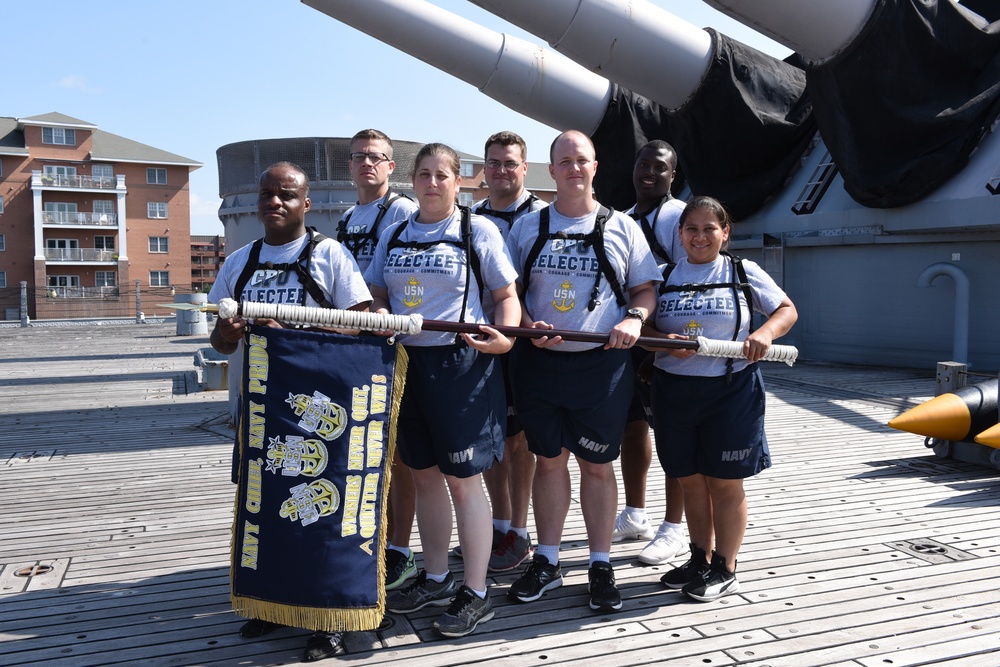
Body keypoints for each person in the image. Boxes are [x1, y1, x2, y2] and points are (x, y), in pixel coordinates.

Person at [209, 161, 373, 661]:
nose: (274, 202)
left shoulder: (330, 256)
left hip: (318, 415)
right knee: (262, 510)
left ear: (306, 203)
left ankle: (323, 617)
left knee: (317, 512)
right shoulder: (239, 262)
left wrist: (294, 334)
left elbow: (362, 324)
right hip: (260, 412)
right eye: (267, 194)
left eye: (286, 195)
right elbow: (218, 343)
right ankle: (270, 602)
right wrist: (231, 333)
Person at [365, 142, 521, 637]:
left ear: (458, 182)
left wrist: (504, 339)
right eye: (425, 174)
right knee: (425, 475)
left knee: (462, 480)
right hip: (407, 363)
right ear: (413, 181)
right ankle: (435, 577)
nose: (432, 183)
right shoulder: (392, 234)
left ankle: (476, 592)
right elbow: (376, 296)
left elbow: (506, 298)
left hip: (461, 365)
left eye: (442, 175)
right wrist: (375, 319)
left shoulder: (478, 231)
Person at [505, 130, 661, 612]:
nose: (574, 168)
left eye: (582, 160)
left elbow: (645, 289)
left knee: (597, 465)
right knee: (548, 462)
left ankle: (599, 562)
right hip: (540, 364)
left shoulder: (622, 227)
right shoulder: (526, 228)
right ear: (550, 171)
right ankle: (548, 560)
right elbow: (505, 295)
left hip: (601, 367)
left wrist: (635, 319)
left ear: (596, 168)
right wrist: (529, 325)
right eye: (564, 161)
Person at [644, 196, 797, 601]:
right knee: (690, 481)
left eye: (709, 228)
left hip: (731, 391)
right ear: (680, 234)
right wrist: (664, 341)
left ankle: (726, 568)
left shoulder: (743, 271)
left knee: (724, 483)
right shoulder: (663, 276)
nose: (700, 236)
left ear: (725, 233)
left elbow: (786, 309)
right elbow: (646, 329)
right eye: (691, 228)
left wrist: (764, 334)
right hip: (673, 391)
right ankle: (700, 558)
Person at [341, 129, 421, 593]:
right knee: (367, 449)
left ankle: (400, 549)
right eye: (358, 157)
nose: (366, 163)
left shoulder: (403, 212)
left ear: (391, 166)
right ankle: (370, 538)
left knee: (400, 454)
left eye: (376, 157)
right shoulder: (350, 216)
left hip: (395, 345)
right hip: (357, 345)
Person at [471, 131, 547, 572]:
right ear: (485, 168)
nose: (501, 170)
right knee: (489, 443)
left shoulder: (541, 216)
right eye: (493, 162)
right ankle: (496, 525)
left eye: (510, 163)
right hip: (482, 339)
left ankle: (519, 531)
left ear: (524, 167)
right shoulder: (473, 217)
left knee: (519, 442)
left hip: (525, 345)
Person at [613, 141, 687, 566]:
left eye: (660, 168)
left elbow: (685, 280)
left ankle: (674, 526)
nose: (649, 173)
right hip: (630, 336)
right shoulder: (622, 219)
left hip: (662, 341)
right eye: (643, 164)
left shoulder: (676, 217)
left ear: (672, 175)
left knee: (670, 434)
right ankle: (636, 513)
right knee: (632, 427)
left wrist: (660, 340)